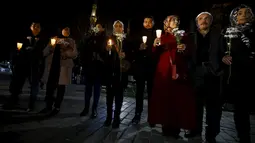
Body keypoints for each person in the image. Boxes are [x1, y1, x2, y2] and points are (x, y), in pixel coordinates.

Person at [148, 15, 196, 138]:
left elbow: (190, 51)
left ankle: (176, 126)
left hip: (179, 70)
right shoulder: (162, 37)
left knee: (178, 98)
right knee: (164, 98)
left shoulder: (184, 35)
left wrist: (185, 48)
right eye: (170, 20)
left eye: (175, 20)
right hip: (164, 71)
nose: (172, 22)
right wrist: (154, 45)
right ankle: (165, 125)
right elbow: (154, 55)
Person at [184, 12, 224, 143]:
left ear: (211, 21)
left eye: (207, 18)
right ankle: (195, 130)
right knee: (196, 104)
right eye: (200, 19)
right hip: (196, 73)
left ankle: (211, 134)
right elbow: (186, 55)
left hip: (213, 73)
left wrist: (221, 63)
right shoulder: (191, 36)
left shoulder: (219, 35)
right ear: (197, 23)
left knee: (213, 107)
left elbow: (224, 52)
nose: (204, 20)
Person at [222, 5, 255, 143]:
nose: (244, 15)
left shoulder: (252, 32)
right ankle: (243, 136)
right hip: (236, 76)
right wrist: (223, 57)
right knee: (240, 109)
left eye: (247, 13)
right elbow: (221, 50)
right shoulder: (228, 32)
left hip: (251, 74)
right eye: (240, 13)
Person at [4, 22, 45, 111]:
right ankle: (13, 101)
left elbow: (43, 53)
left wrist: (35, 51)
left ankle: (31, 105)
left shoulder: (43, 39)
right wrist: (21, 51)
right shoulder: (24, 37)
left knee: (34, 86)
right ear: (31, 27)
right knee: (17, 84)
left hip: (35, 66)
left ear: (40, 29)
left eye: (38, 27)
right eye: (34, 26)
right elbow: (18, 48)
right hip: (23, 64)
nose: (36, 28)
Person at [39, 27, 77, 115]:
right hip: (52, 67)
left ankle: (57, 107)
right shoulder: (54, 39)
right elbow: (44, 52)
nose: (67, 31)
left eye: (68, 30)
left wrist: (66, 54)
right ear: (61, 30)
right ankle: (48, 106)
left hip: (63, 68)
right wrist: (50, 47)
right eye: (65, 29)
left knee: (60, 88)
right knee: (50, 88)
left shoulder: (71, 41)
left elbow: (75, 54)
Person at [103, 20, 132, 128]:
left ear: (123, 28)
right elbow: (103, 55)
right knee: (109, 97)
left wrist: (126, 55)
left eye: (120, 26)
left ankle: (116, 118)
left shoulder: (126, 41)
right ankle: (108, 117)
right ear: (114, 28)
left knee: (119, 97)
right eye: (116, 26)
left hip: (121, 73)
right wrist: (107, 50)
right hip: (110, 72)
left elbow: (131, 54)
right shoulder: (109, 39)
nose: (118, 28)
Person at [132, 16, 156, 124]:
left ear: (153, 23)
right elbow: (133, 50)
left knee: (151, 93)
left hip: (152, 67)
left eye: (150, 22)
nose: (147, 23)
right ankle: (137, 114)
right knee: (139, 92)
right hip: (141, 67)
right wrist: (139, 48)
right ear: (143, 23)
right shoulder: (138, 35)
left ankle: (152, 116)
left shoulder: (157, 35)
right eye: (145, 21)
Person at [79, 23, 106, 118]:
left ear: (103, 29)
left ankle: (94, 109)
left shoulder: (105, 39)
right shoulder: (89, 38)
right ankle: (86, 108)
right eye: (96, 27)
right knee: (88, 89)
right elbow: (83, 49)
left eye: (99, 27)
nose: (97, 28)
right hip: (89, 67)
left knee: (97, 90)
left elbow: (106, 52)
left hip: (99, 68)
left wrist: (101, 57)